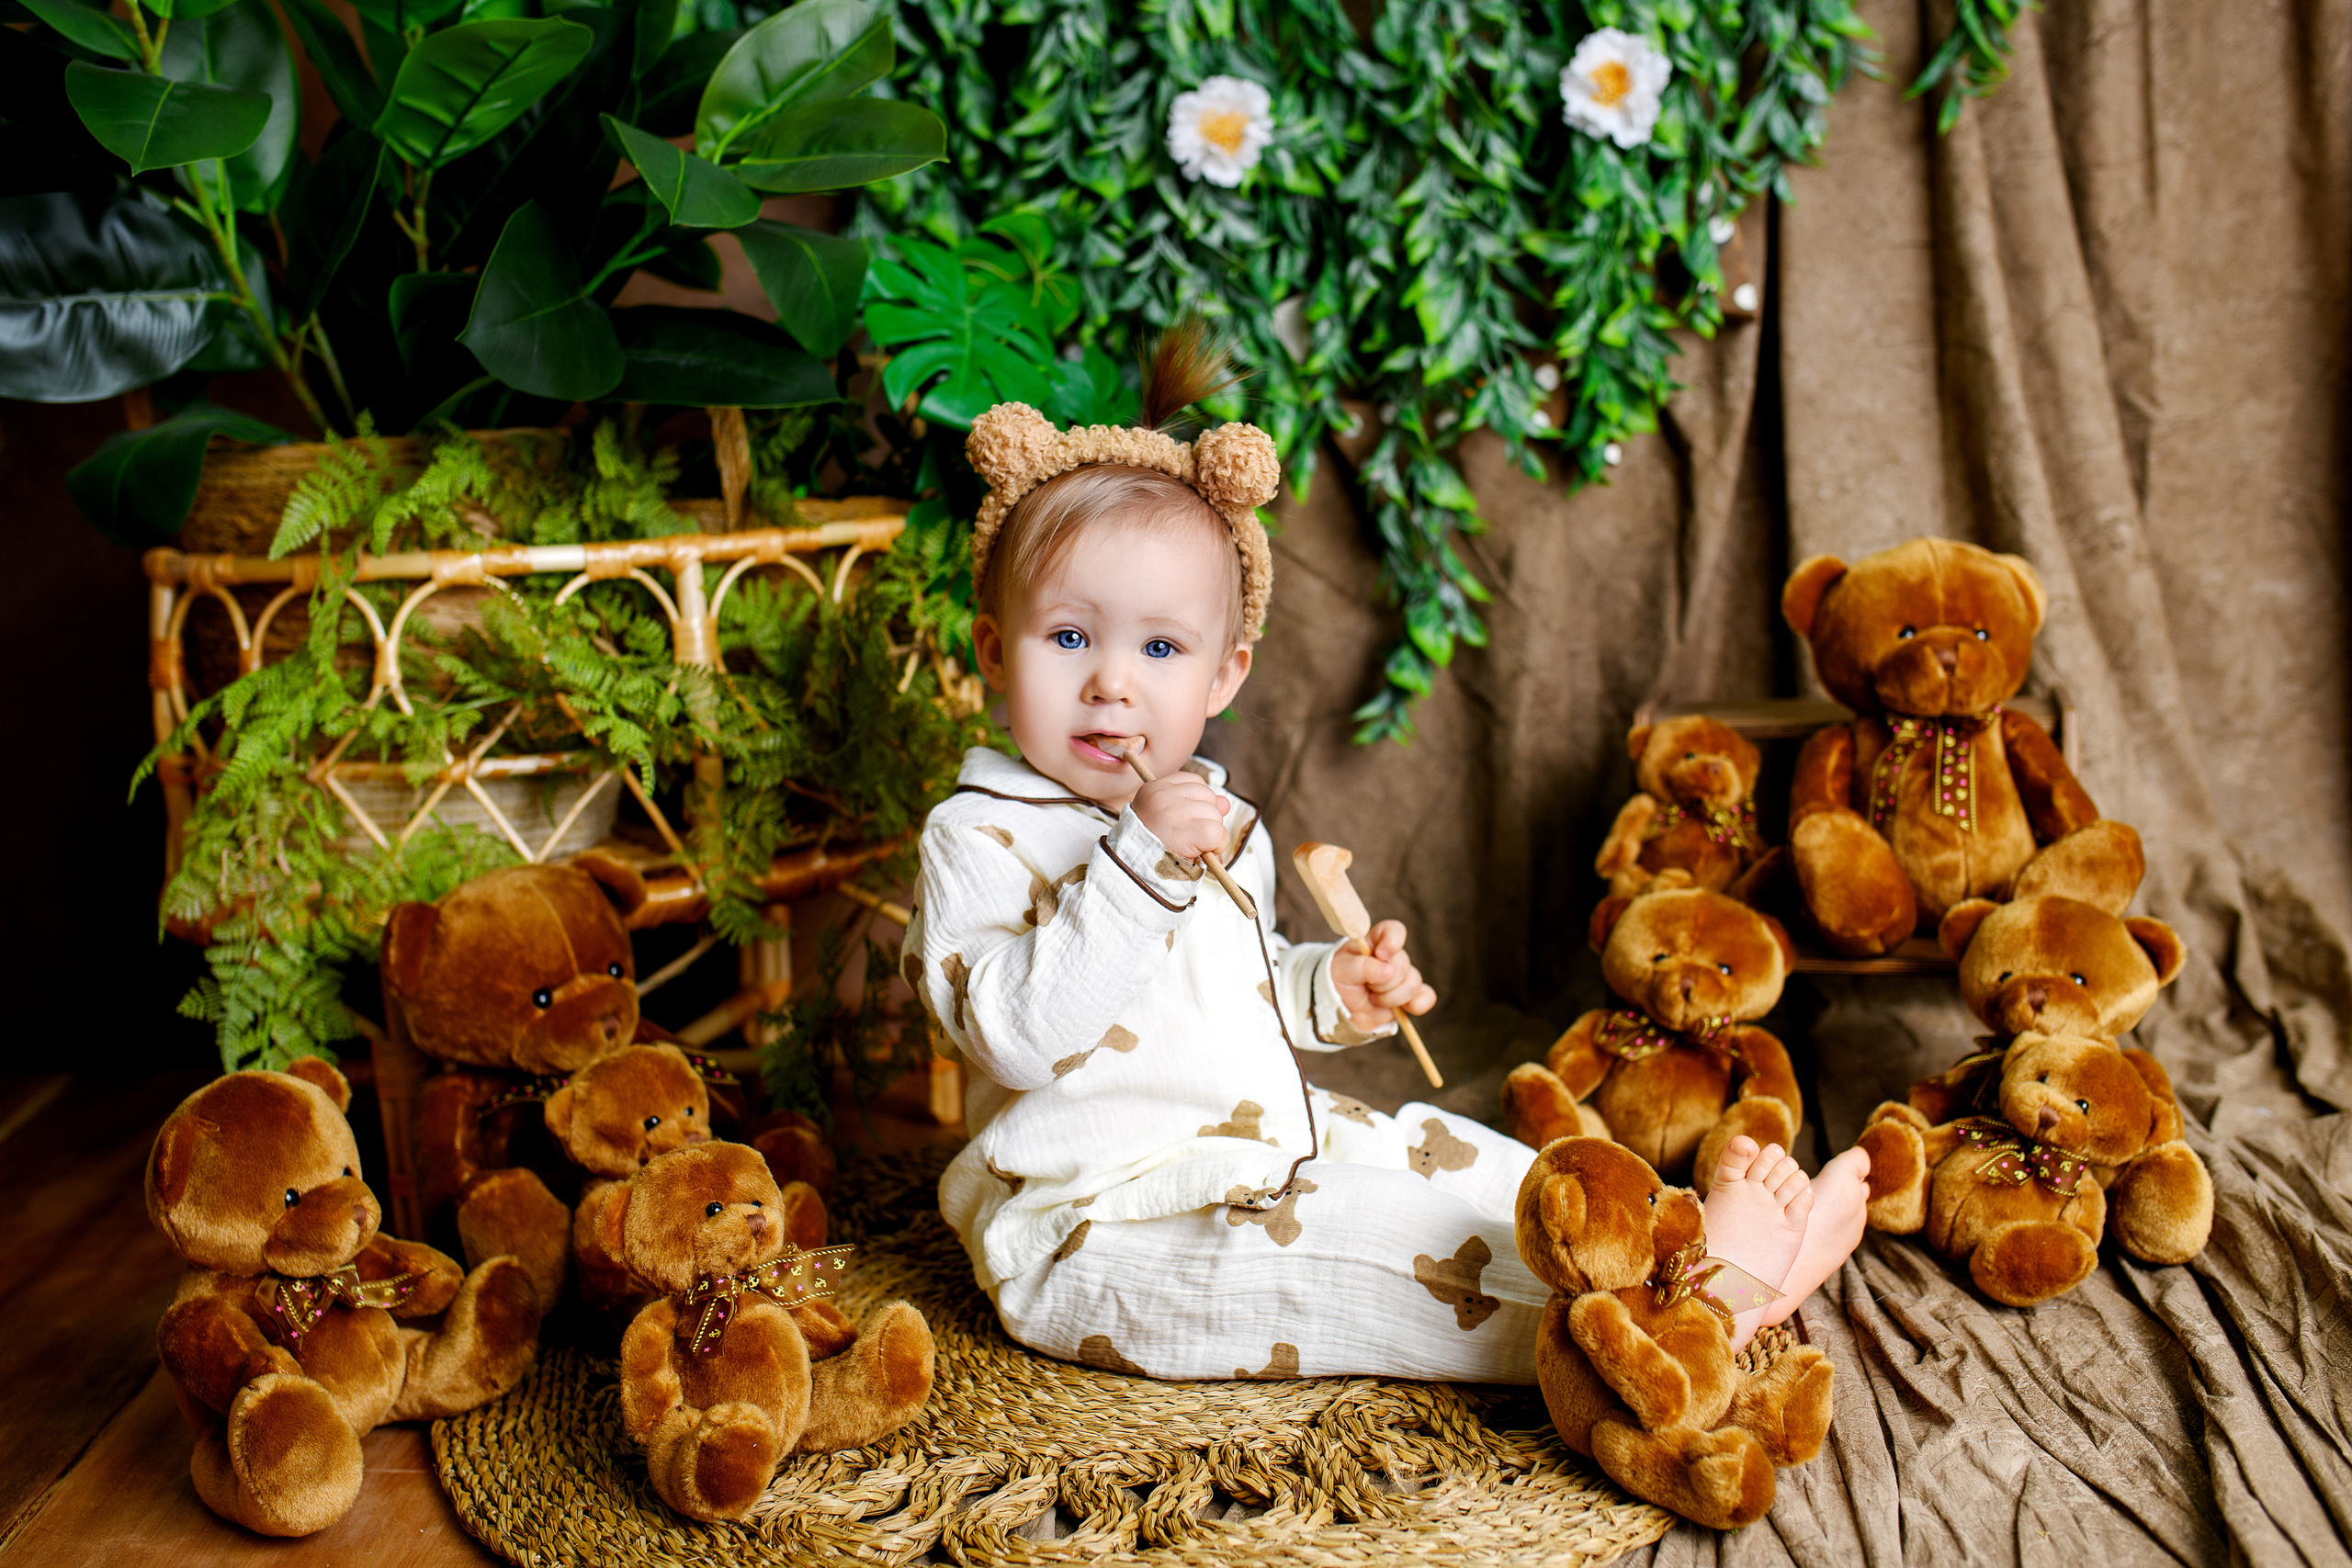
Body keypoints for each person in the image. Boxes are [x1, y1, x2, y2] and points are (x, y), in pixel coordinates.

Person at [902, 322, 1866, 1382]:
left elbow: (1231, 990)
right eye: (1069, 637)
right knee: (1380, 1250)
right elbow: (1016, 1040)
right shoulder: (978, 835)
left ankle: (1675, 1246)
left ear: (1222, 677)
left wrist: (1328, 989)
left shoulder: (1209, 816)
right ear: (996, 651)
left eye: (1161, 646)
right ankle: (1669, 1320)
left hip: (1256, 1151)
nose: (1112, 683)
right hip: (1104, 1225)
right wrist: (1135, 867)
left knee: (1439, 1160)